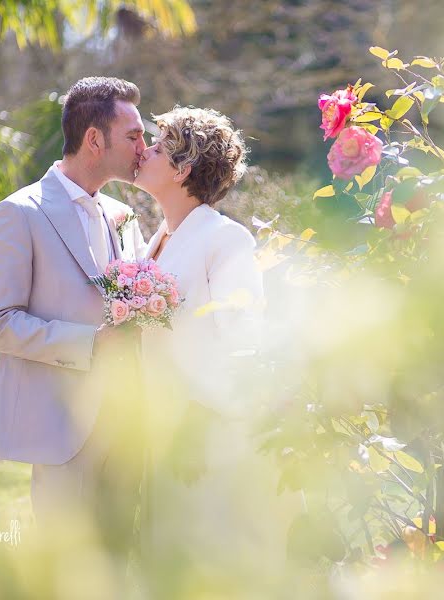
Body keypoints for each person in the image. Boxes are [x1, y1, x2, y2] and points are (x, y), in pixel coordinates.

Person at [0, 77, 148, 557]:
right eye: (133, 136)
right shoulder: (19, 213)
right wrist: (89, 344)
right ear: (94, 140)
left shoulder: (123, 215)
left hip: (129, 426)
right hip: (61, 429)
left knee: (121, 563)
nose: (144, 147)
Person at [135, 106, 299, 587]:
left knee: (208, 557)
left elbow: (244, 340)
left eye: (159, 147)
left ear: (183, 170)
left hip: (204, 433)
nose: (145, 150)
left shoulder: (225, 239)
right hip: (157, 423)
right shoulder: (157, 239)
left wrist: (197, 421)